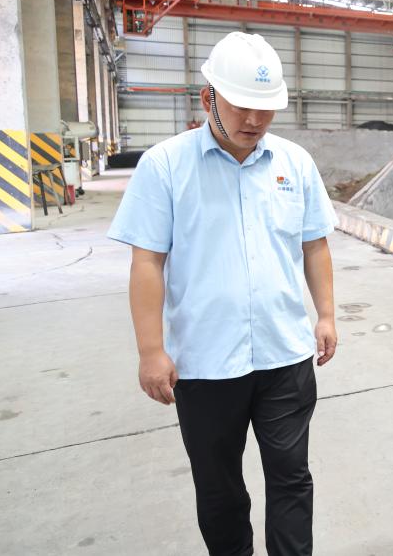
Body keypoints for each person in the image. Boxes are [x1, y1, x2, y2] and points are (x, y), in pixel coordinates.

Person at [108, 32, 339, 555]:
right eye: (241, 105)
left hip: (284, 355)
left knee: (291, 478)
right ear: (208, 97)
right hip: (206, 364)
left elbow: (315, 244)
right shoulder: (166, 165)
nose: (254, 120)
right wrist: (151, 350)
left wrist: (325, 315)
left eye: (265, 108)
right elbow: (147, 262)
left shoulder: (295, 163)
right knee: (219, 490)